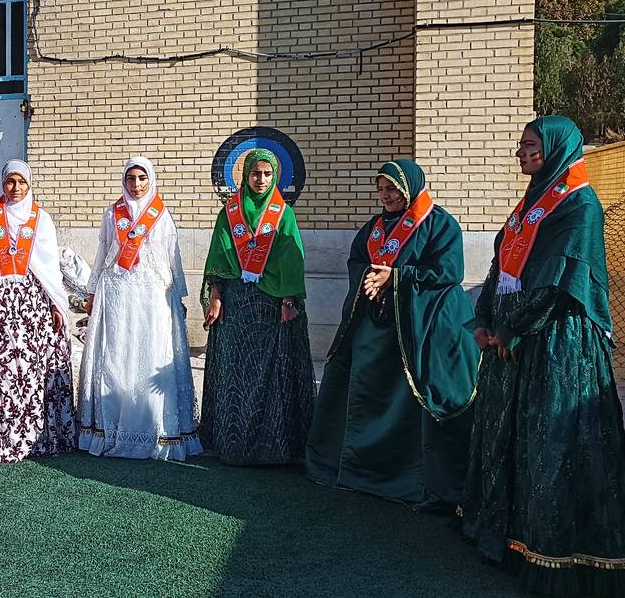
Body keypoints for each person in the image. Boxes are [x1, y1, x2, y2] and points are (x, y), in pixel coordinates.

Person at [461, 116, 625, 596]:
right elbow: (501, 265)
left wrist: (512, 327)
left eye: (530, 145)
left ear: (554, 148)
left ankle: (553, 550)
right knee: (509, 436)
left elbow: (556, 281)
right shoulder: (530, 203)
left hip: (557, 343)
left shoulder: (580, 205)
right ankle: (507, 535)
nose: (521, 153)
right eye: (520, 145)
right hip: (512, 339)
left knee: (551, 440)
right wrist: (485, 318)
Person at [305, 160, 477, 510]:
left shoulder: (439, 223)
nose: (386, 195)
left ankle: (415, 479)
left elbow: (448, 271)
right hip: (377, 330)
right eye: (381, 189)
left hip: (422, 328)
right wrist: (370, 277)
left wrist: (395, 277)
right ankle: (361, 471)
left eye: (393, 189)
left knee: (428, 393)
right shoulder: (373, 228)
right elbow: (357, 261)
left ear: (410, 187)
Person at [77, 156, 202, 460]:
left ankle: (153, 428)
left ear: (151, 179)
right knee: (116, 354)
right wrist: (91, 291)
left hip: (152, 296)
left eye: (142, 178)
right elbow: (103, 251)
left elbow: (172, 257)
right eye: (130, 178)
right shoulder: (112, 213)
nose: (136, 184)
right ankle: (112, 425)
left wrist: (179, 296)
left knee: (151, 351)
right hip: (117, 292)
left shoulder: (161, 214)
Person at [0, 160, 76, 463]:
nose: (16, 188)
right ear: (2, 184)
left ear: (29, 184)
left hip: (32, 306)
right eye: (10, 182)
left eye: (21, 182)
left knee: (29, 368)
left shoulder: (41, 219)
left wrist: (57, 304)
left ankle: (34, 437)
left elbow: (50, 268)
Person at [200, 149, 314, 465]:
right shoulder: (229, 213)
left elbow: (292, 259)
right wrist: (216, 297)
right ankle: (232, 442)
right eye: (254, 173)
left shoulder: (283, 214)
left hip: (271, 305)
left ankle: (272, 446)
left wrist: (288, 300)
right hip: (236, 305)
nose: (260, 179)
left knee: (270, 373)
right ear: (245, 175)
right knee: (235, 371)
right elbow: (218, 257)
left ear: (275, 176)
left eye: (266, 174)